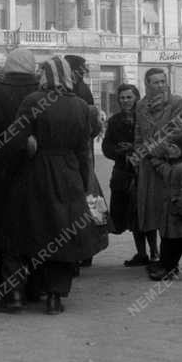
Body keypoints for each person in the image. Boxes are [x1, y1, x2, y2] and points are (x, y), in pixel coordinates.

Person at [0, 56, 94, 314]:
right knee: (62, 234)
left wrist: (28, 146)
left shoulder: (33, 101)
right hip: (68, 174)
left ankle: (16, 294)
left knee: (22, 231)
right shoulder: (81, 106)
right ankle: (55, 297)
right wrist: (84, 183)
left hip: (34, 172)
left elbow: (15, 141)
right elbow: (84, 150)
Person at [0, 48, 39, 304]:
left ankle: (9, 288)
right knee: (35, 227)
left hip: (2, 172)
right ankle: (36, 287)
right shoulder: (43, 92)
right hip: (36, 171)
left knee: (4, 229)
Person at [133, 68, 182, 267]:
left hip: (168, 166)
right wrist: (139, 155)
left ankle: (169, 261)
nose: (160, 85)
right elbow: (138, 134)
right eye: (155, 82)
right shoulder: (140, 106)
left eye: (163, 81)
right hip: (147, 168)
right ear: (147, 84)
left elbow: (179, 134)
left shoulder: (177, 103)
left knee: (169, 212)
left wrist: (155, 151)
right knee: (149, 212)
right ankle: (155, 255)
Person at [65, 54, 109, 263]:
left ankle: (83, 246)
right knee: (90, 195)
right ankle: (90, 246)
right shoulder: (83, 88)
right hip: (85, 151)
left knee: (82, 196)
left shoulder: (73, 90)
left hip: (76, 152)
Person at [148, 135, 182, 282]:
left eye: (173, 147)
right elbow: (160, 166)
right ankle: (168, 268)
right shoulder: (173, 166)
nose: (169, 149)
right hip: (173, 216)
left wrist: (180, 210)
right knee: (169, 244)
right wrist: (153, 156)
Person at [101, 84, 141, 254]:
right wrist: (119, 152)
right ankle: (141, 254)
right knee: (123, 215)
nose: (125, 101)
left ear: (136, 98)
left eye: (129, 97)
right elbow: (106, 146)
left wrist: (134, 148)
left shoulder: (144, 117)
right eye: (122, 98)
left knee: (142, 214)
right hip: (122, 172)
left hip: (142, 172)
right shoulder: (114, 120)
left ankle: (151, 253)